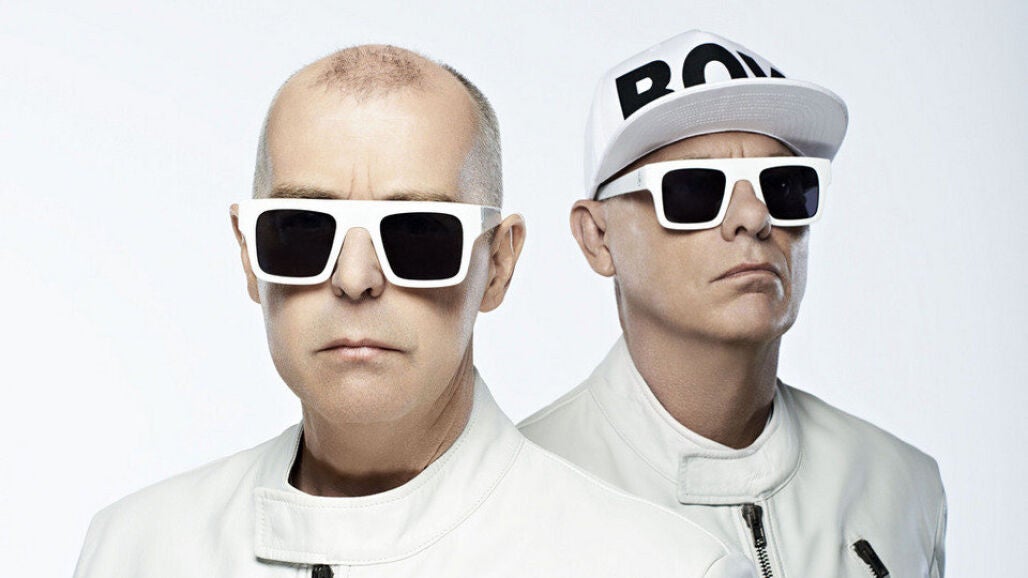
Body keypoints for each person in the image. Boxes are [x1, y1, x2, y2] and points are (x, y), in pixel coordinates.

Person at [73, 45, 755, 578]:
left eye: (420, 233)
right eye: (303, 229)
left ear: (498, 264)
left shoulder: (661, 568)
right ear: (250, 256)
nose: (355, 278)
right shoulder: (135, 551)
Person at [519, 30, 946, 578]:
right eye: (694, 189)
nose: (754, 216)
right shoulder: (511, 501)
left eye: (785, 185)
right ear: (598, 237)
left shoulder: (902, 486)